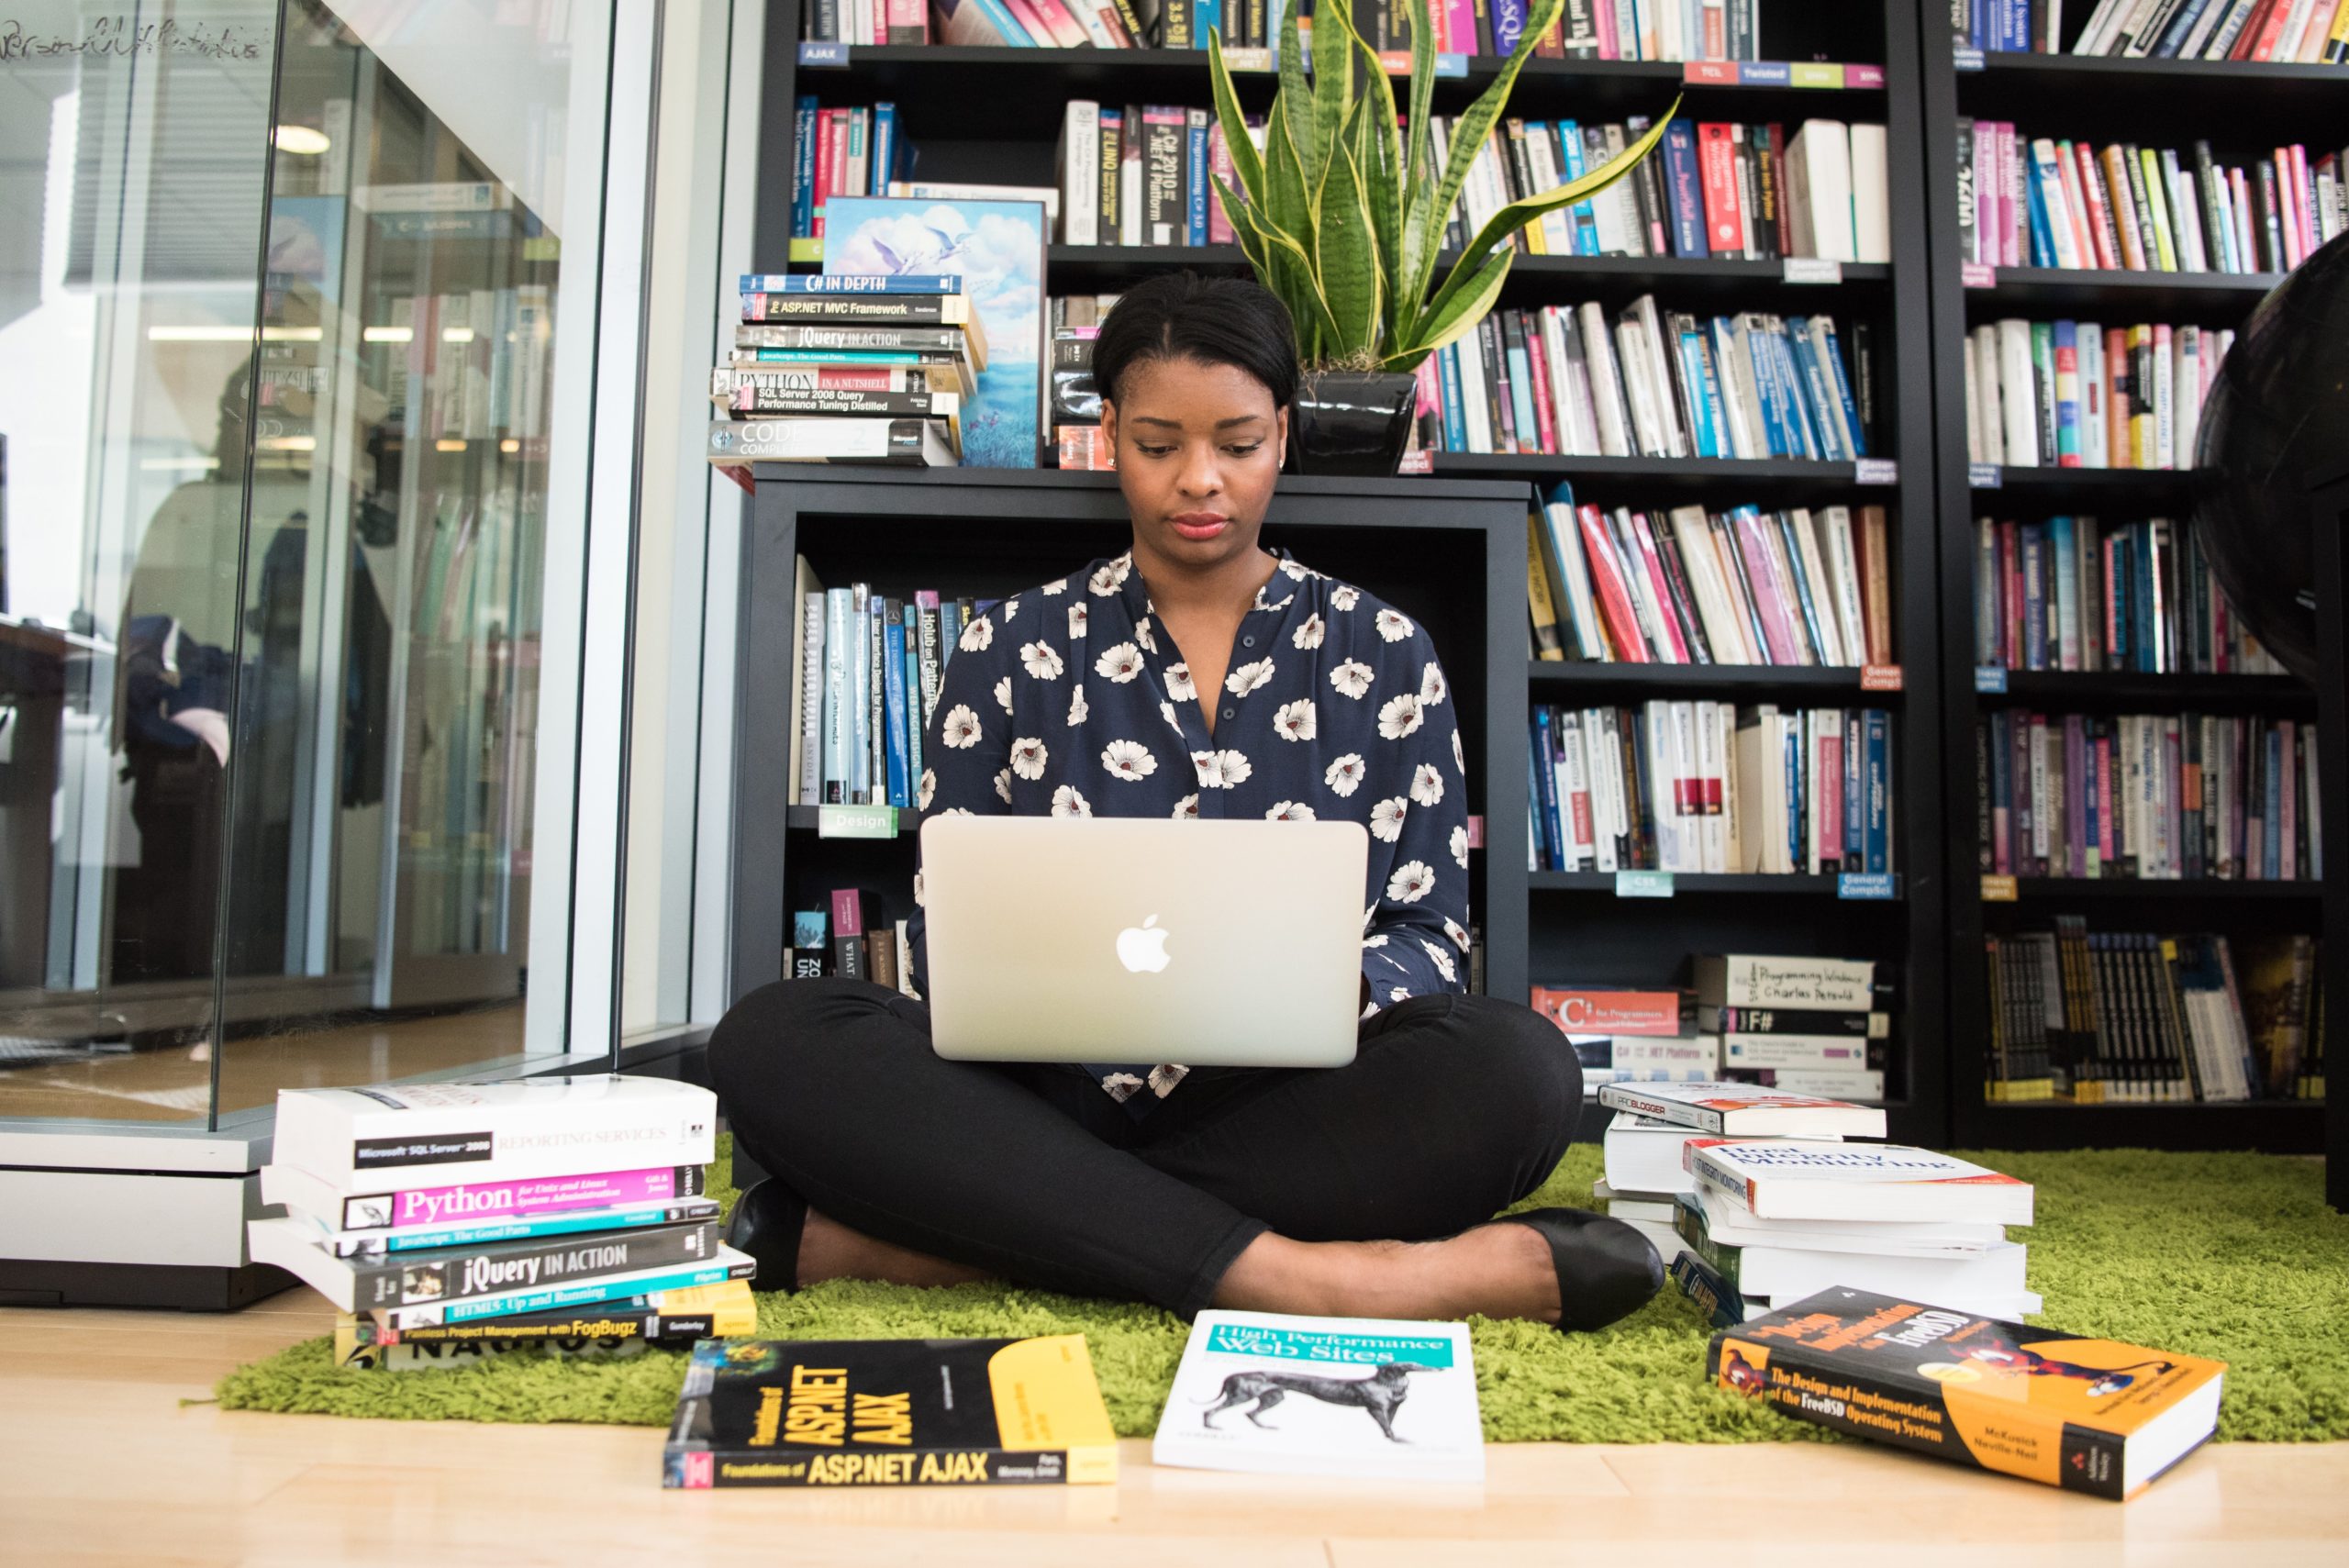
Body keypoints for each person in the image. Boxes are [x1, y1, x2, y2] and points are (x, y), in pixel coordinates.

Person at [710, 272, 1662, 1330]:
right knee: (774, 1035)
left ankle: (963, 1240)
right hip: (1034, 1095)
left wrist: (1317, 987)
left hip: (1284, 1103)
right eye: (1158, 444)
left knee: (1521, 1070)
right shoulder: (1009, 644)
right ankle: (1333, 1279)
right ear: (1106, 431)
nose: (1199, 480)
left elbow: (1432, 930)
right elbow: (954, 933)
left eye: (1238, 443)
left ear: (1285, 433)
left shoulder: (1385, 650)